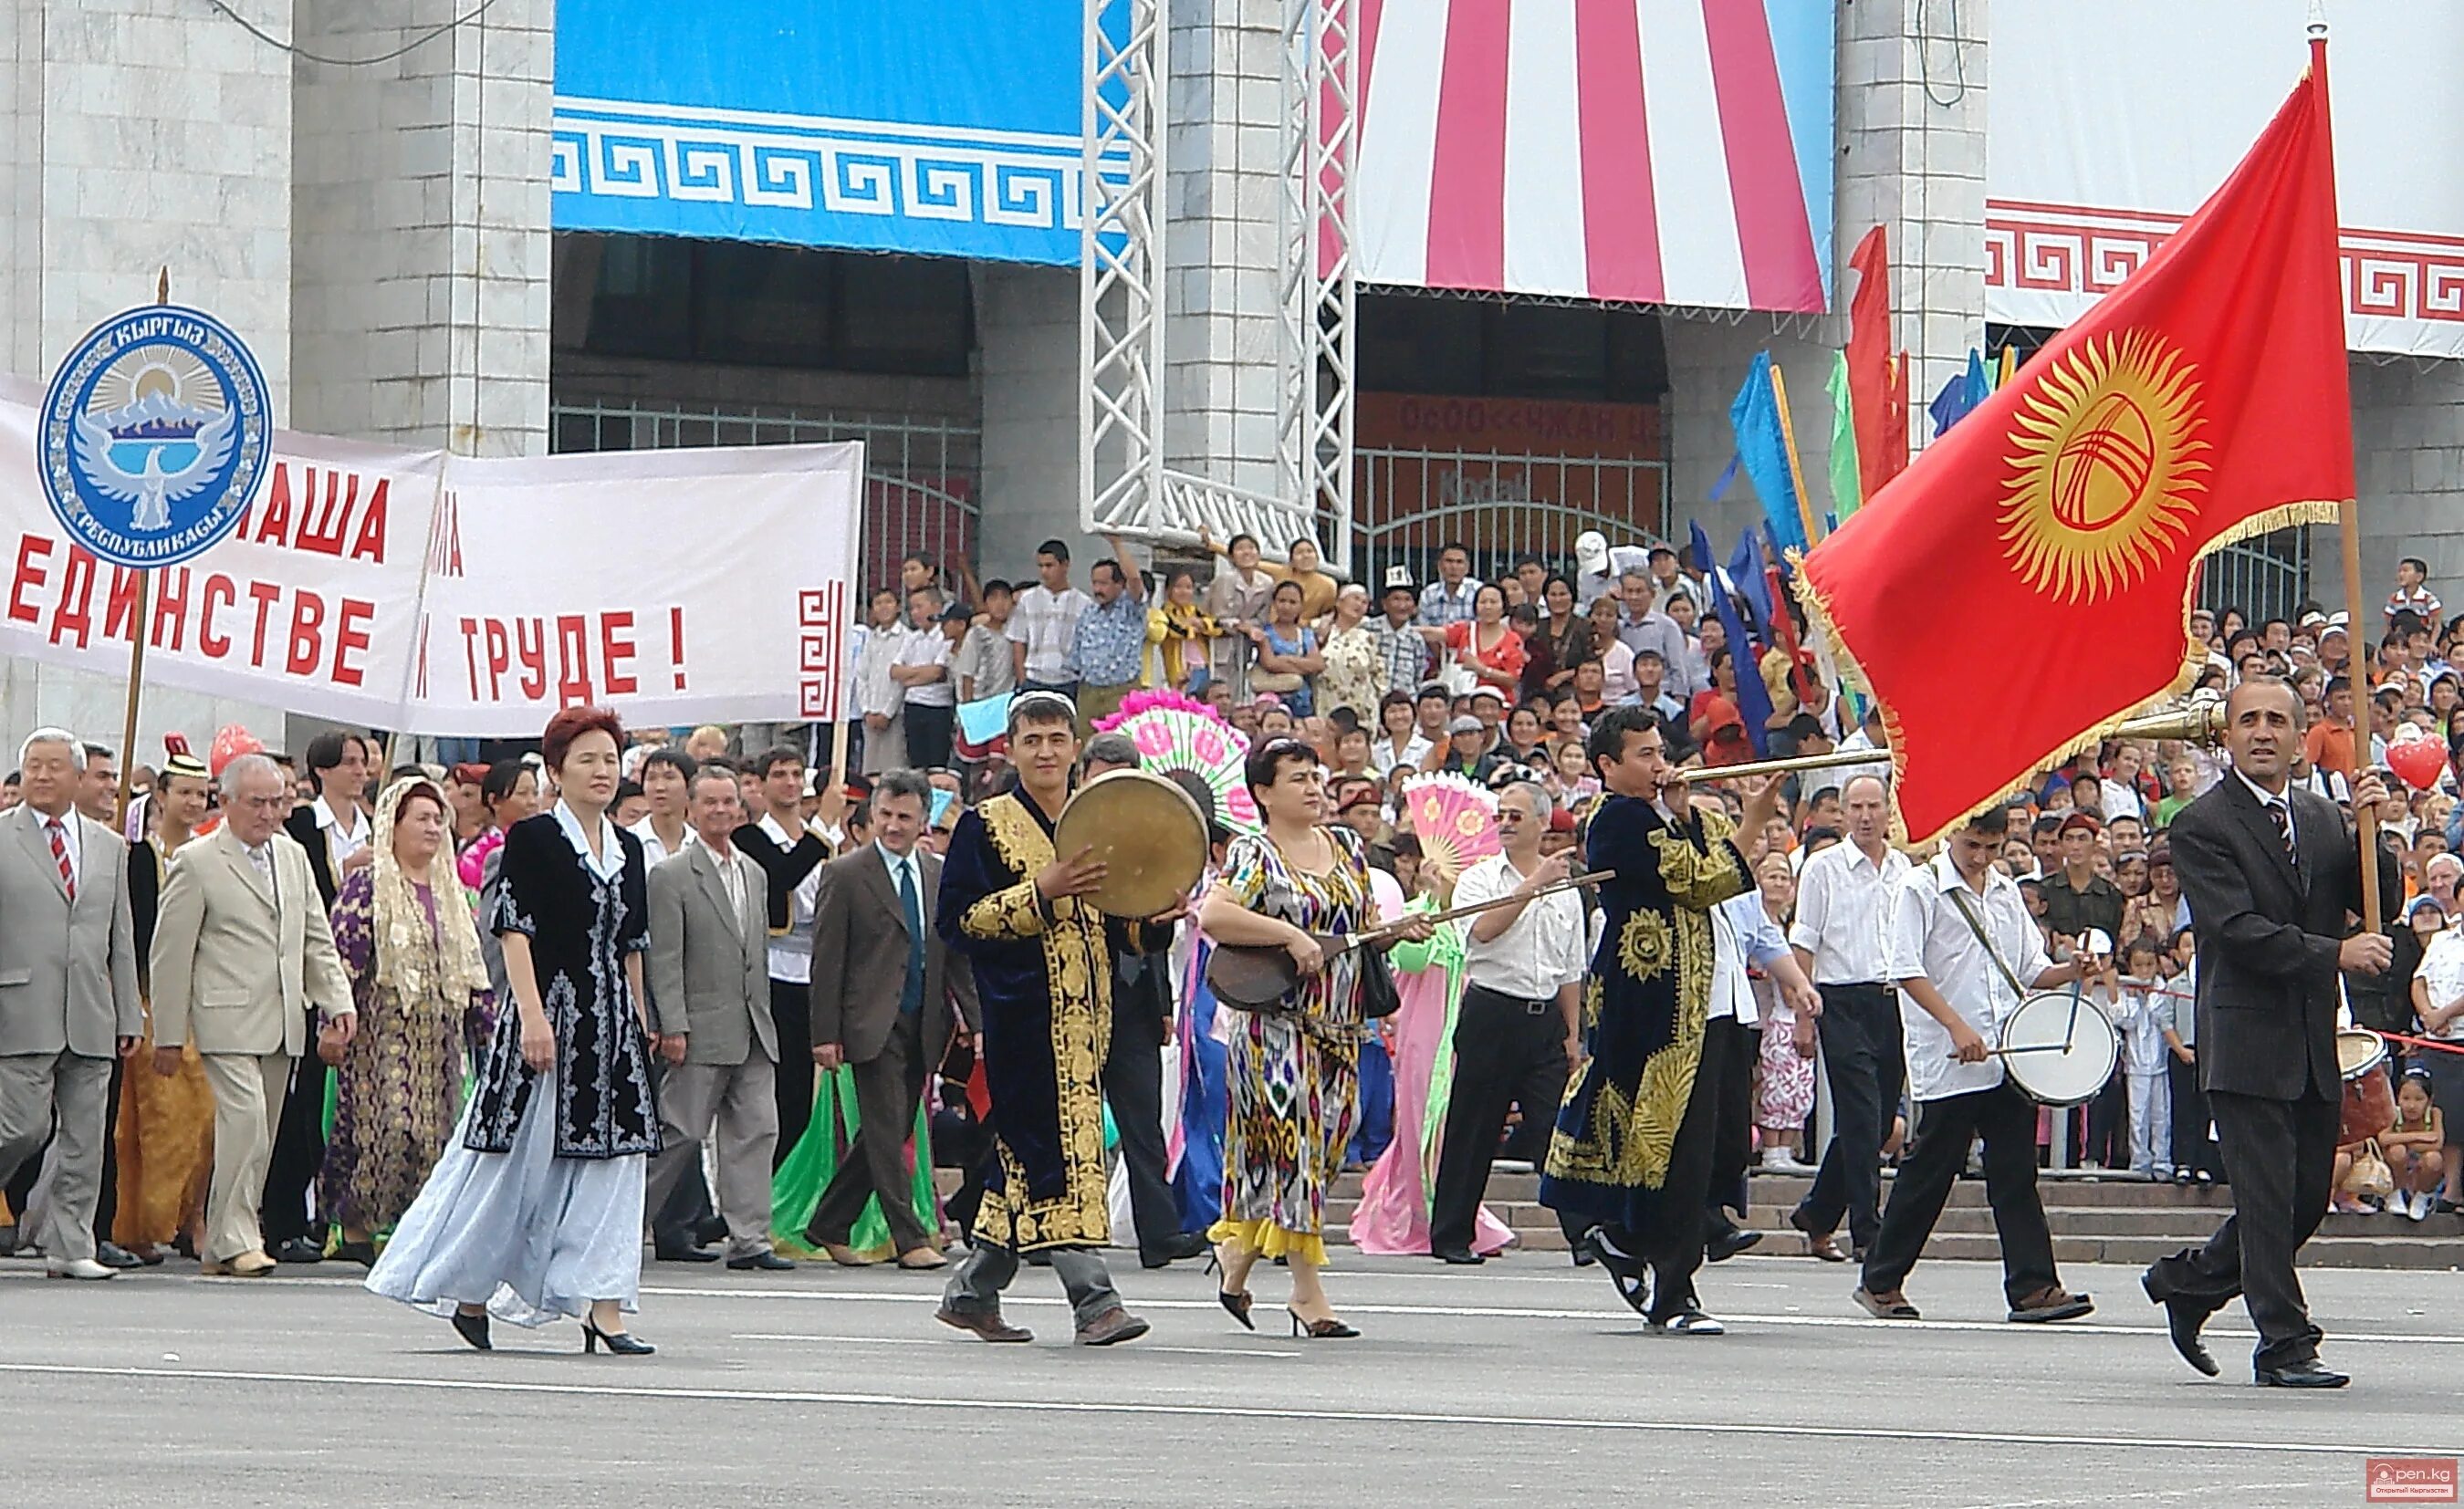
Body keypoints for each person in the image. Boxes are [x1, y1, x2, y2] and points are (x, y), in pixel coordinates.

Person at [368, 707, 659, 1356]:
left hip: (609, 1028)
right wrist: (529, 1015)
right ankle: (469, 1289)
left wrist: (639, 1015)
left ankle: (604, 1307)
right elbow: (515, 930)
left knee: (616, 1165)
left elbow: (632, 941)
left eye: (610, 759)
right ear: (555, 770)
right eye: (587, 759)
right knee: (519, 1166)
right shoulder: (533, 841)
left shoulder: (630, 848)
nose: (602, 771)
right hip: (550, 1017)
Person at [2144, 679, 2400, 1389]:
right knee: (2263, 1201)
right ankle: (2285, 1345)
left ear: (2298, 737)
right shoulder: (2202, 824)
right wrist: (2333, 954)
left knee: (2305, 1201)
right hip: (2246, 1039)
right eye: (2248, 719)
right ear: (2227, 735)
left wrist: (2372, 834)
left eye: (2277, 721)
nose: (2262, 731)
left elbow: (2374, 900)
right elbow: (2235, 931)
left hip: (2314, 1038)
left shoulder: (2320, 817)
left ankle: (2188, 1281)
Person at [933, 692, 1169, 1346]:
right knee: (1056, 1157)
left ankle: (973, 1292)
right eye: (1031, 739)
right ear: (1011, 748)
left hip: (1091, 1023)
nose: (1044, 751)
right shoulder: (986, 824)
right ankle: (1095, 1300)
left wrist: (1151, 923)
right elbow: (958, 921)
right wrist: (1042, 892)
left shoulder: (1097, 820)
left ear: (1075, 747)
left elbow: (1119, 924)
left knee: (1026, 1161)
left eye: (1056, 739)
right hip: (1021, 1023)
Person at [1543, 708, 1780, 1335]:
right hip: (1653, 1006)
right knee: (1675, 1147)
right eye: (1642, 756)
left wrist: (1688, 811)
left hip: (1714, 1000)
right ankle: (1674, 1290)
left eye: (1659, 751)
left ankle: (1651, 1231)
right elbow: (1701, 881)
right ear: (1607, 766)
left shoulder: (1678, 814)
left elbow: (1712, 856)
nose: (1658, 765)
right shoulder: (1614, 820)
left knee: (1719, 1139)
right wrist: (1753, 818)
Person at [1196, 736, 1428, 1337]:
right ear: (1264, 793)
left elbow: (1361, 931)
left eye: (1314, 774)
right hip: (1275, 1029)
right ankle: (1308, 1294)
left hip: (1342, 1026)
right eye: (1297, 777)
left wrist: (1395, 932)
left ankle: (1234, 1261)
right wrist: (1287, 934)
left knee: (1323, 1152)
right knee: (1293, 1151)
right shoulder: (1255, 853)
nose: (1312, 786)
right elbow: (1214, 916)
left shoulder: (1348, 847)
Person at [1852, 804, 2093, 1326]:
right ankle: (1881, 1278)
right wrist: (1955, 1025)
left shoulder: (2006, 892)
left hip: (2006, 1054)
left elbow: (2030, 969)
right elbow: (1906, 970)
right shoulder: (1920, 888)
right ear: (1952, 835)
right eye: (1972, 847)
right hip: (1949, 1057)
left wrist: (2071, 969)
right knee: (1931, 1171)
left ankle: (2033, 1285)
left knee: (2015, 1172)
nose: (1980, 859)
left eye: (1991, 848)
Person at [150, 752, 355, 1278]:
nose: (270, 814)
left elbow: (316, 937)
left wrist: (337, 1000)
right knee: (246, 1124)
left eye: (278, 802)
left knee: (262, 1131)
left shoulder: (291, 856)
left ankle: (221, 1241)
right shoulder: (197, 861)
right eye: (258, 803)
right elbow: (170, 953)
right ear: (227, 803)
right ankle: (240, 1237)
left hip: (283, 1016)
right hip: (225, 1016)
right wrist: (168, 1034)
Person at [803, 769, 978, 1269]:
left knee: (891, 1125)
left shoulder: (937, 874)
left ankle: (829, 1223)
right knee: (883, 1129)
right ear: (871, 816)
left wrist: (972, 1016)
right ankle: (911, 1238)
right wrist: (825, 1034)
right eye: (885, 815)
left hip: (925, 1020)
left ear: (924, 819)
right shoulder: (846, 874)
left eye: (905, 817)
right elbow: (827, 960)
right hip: (867, 1022)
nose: (893, 826)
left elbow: (954, 953)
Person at [318, 776, 495, 1266]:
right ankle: (355, 1228)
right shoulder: (369, 885)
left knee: (435, 1135)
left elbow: (473, 965)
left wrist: (486, 1026)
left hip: (438, 1038)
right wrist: (333, 1020)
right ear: (392, 827)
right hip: (380, 1032)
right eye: (421, 818)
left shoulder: (451, 893)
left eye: (439, 820)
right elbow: (340, 960)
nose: (433, 829)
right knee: (390, 1130)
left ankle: (410, 1233)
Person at [0, 730, 142, 1279]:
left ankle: (70, 1245)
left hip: (89, 1013)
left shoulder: (108, 846)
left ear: (77, 777)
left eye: (53, 766)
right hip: (20, 1008)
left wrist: (129, 1012)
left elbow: (120, 938)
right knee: (22, 1128)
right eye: (32, 765)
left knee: (86, 1141)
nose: (41, 775)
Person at [1426, 782, 1583, 1265]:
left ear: (1542, 823)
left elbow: (1570, 969)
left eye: (1517, 815)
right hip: (1493, 1010)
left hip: (1543, 1020)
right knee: (1473, 1126)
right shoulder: (1479, 879)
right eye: (1501, 815)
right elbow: (1483, 932)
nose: (1507, 823)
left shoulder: (1566, 888)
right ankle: (1452, 1233)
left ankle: (1584, 1231)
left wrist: (1573, 1034)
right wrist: (1529, 887)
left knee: (1556, 1130)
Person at [643, 766, 789, 1271]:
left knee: (756, 1131)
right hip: (699, 1028)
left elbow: (757, 955)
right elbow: (664, 958)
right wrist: (673, 1025)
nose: (721, 811)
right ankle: (621, 1225)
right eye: (710, 803)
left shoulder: (754, 871)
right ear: (691, 811)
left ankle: (750, 1239)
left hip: (752, 1028)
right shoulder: (671, 874)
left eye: (729, 802)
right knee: (678, 1134)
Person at [1077, 736, 1208, 1268]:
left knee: (1143, 1121)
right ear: (1083, 776)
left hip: (1133, 999)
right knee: (1061, 1119)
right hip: (1074, 996)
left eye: (1124, 777)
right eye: (1103, 775)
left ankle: (1159, 1235)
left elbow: (1153, 936)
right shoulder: (1067, 837)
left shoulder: (1152, 839)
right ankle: (1023, 1224)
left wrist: (1160, 1006)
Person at [1786, 773, 1914, 1264]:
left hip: (1892, 1002)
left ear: (1887, 811)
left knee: (1879, 1121)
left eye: (1873, 806)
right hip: (1841, 1001)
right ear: (1841, 813)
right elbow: (1805, 941)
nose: (1864, 816)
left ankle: (1818, 1213)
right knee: (1858, 1115)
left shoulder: (1904, 869)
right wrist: (1803, 1010)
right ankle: (1868, 1230)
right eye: (1855, 807)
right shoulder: (1823, 868)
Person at [114, 748, 215, 1264]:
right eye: (185, 793)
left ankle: (195, 1216)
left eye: (202, 794)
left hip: (209, 1000)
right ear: (160, 798)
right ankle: (146, 1220)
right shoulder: (139, 857)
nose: (195, 803)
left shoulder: (213, 854)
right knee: (159, 1118)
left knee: (208, 1116)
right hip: (154, 999)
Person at [731, 746, 833, 1170]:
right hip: (774, 972)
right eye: (778, 774)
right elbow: (783, 874)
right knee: (782, 1087)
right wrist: (825, 826)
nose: (789, 783)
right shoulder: (750, 839)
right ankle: (773, 1186)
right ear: (762, 783)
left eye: (795, 774)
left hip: (821, 972)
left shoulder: (826, 837)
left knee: (814, 1089)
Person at [1067, 537, 1152, 729]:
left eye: (1103, 583)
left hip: (1121, 690)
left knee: (1119, 745)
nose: (1097, 589)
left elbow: (1135, 579)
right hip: (1089, 691)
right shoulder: (1089, 611)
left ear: (1119, 584)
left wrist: (1116, 544)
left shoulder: (1131, 607)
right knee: (1085, 748)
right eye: (1095, 583)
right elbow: (1077, 651)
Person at [2115, 937, 2174, 1181]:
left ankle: (2162, 1161)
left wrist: (2150, 995)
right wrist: (2133, 996)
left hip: (2161, 1063)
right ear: (2130, 967)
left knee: (2162, 1115)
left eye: (2149, 965)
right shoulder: (2125, 990)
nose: (2144, 971)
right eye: (2139, 965)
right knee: (2138, 1116)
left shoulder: (2162, 987)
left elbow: (2160, 1015)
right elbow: (2125, 1020)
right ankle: (2139, 1162)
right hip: (2136, 1064)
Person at [891, 589, 961, 772]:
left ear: (936, 607)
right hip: (913, 704)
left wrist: (910, 678)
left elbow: (937, 672)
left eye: (919, 607)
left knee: (937, 763)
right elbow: (894, 670)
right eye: (911, 608)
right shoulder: (912, 638)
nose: (914, 613)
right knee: (916, 763)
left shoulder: (944, 636)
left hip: (938, 706)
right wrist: (920, 675)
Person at [1010, 538, 1091, 698]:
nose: (1044, 572)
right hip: (1035, 679)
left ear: (1065, 565)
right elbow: (1018, 641)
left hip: (1069, 681)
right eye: (1041, 566)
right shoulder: (1027, 599)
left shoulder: (1084, 603)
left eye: (1049, 566)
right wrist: (1022, 680)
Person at [1248, 578, 1325, 718]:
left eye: (1292, 602)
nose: (1286, 607)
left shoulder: (1306, 633)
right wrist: (1302, 665)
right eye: (1282, 601)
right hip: (1272, 702)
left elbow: (1318, 664)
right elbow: (1270, 664)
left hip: (1303, 703)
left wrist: (1286, 659)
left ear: (1301, 606)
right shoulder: (1265, 632)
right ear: (1274, 603)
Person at [2380, 1073, 2444, 1221]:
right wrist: (2419, 1136)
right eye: (2406, 1099)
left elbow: (2437, 1142)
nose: (2411, 1105)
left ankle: (2421, 1197)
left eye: (2419, 1099)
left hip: (2420, 1166)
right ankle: (2395, 1193)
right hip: (2396, 1166)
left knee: (2434, 1159)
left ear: (2429, 1100)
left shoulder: (2434, 1114)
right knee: (2397, 1150)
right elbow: (2383, 1139)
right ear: (2398, 1098)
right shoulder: (2394, 1113)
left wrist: (2400, 1140)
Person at [629, 748, 695, 867]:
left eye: (669, 777)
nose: (659, 787)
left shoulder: (699, 844)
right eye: (651, 778)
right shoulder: (626, 841)